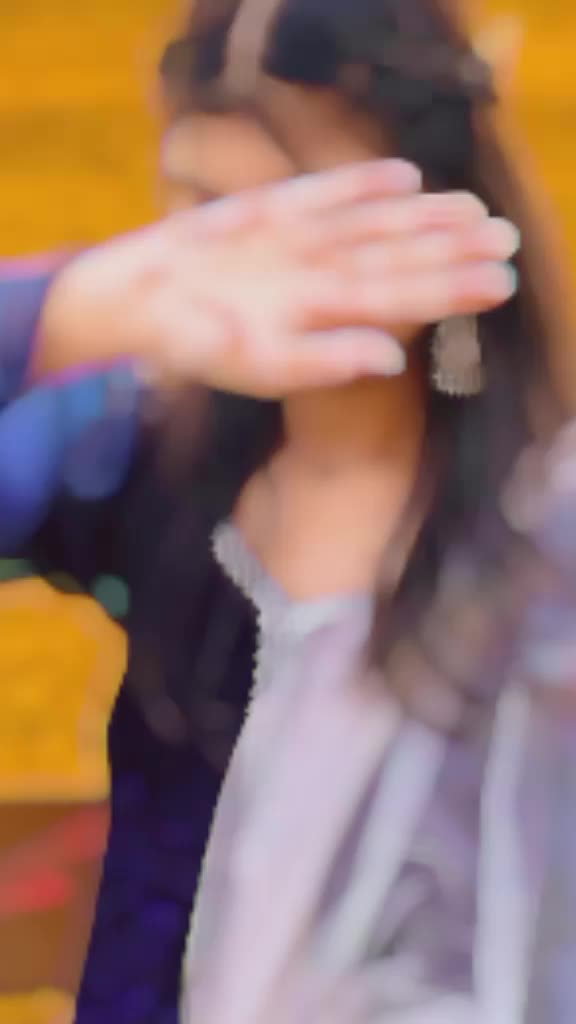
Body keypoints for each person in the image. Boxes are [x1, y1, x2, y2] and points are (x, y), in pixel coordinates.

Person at [1, 1, 574, 1022]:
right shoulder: (130, 455)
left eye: (303, 217)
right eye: (208, 214)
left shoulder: (549, 512)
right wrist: (68, 313)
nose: (254, 271)